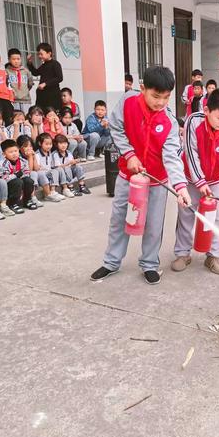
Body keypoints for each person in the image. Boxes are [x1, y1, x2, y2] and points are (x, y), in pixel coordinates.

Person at [90, 66, 191, 285]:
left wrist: (181, 187)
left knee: (154, 225)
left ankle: (149, 264)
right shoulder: (127, 102)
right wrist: (129, 154)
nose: (161, 103)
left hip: (157, 182)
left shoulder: (169, 123)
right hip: (128, 177)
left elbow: (172, 157)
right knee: (119, 220)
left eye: (166, 98)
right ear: (143, 89)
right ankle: (111, 262)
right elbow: (116, 128)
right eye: (156, 96)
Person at [171, 88, 219, 275]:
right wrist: (200, 182)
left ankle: (213, 255)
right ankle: (183, 253)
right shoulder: (193, 121)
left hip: (216, 180)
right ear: (207, 110)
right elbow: (190, 153)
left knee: (216, 218)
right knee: (186, 214)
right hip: (191, 179)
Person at [0, 139, 36, 212]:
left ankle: (27, 200)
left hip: (19, 181)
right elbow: (3, 178)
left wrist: (22, 176)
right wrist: (15, 175)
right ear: (4, 154)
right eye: (11, 152)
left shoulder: (22, 161)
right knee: (17, 181)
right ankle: (13, 203)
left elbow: (26, 172)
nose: (14, 154)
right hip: (9, 186)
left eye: (16, 151)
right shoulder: (2, 164)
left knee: (29, 180)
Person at [27, 43, 63, 110]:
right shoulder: (44, 65)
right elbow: (35, 72)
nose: (39, 56)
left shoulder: (55, 64)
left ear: (49, 53)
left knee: (52, 114)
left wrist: (45, 83)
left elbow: (59, 78)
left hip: (52, 95)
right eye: (38, 54)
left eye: (41, 54)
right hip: (42, 95)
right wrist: (30, 63)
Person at [35, 132, 67, 202]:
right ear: (40, 144)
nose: (49, 146)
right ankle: (52, 191)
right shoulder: (37, 154)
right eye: (46, 144)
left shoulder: (49, 152)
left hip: (49, 172)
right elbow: (37, 167)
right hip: (42, 173)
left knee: (58, 169)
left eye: (50, 144)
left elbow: (51, 165)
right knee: (54, 171)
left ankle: (64, 189)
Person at [16, 135, 44, 208]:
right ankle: (32, 197)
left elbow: (36, 168)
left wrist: (33, 157)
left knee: (35, 173)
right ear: (19, 147)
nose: (29, 148)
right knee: (33, 173)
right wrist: (30, 157)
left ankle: (33, 197)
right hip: (20, 176)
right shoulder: (18, 156)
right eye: (26, 146)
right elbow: (29, 171)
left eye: (30, 146)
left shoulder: (33, 154)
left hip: (29, 176)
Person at [6, 48, 34, 114]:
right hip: (13, 100)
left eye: (18, 59)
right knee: (15, 117)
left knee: (26, 116)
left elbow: (30, 84)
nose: (16, 61)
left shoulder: (25, 71)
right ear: (9, 59)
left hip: (25, 100)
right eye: (13, 59)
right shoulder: (6, 72)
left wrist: (25, 92)